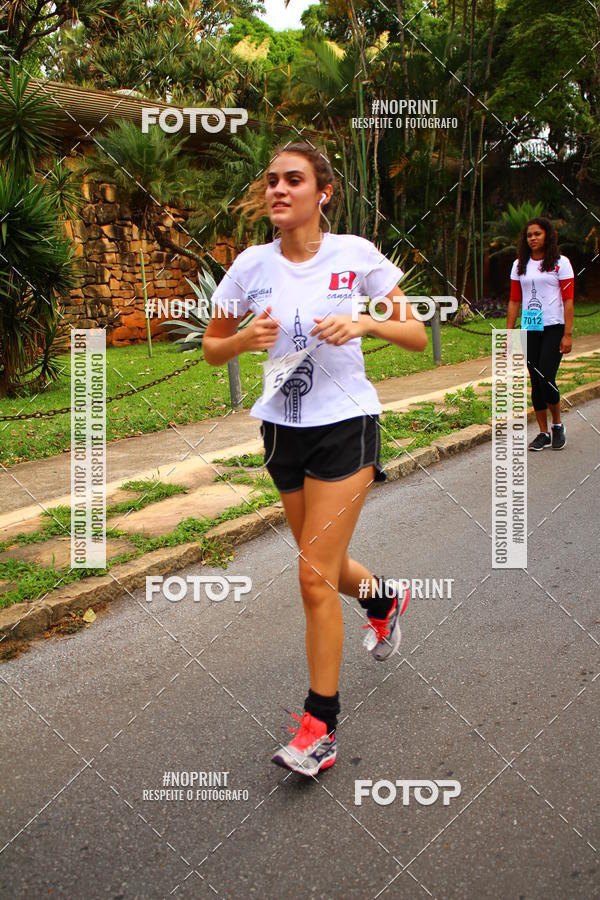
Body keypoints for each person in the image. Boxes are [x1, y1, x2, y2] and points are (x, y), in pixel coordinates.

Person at [202, 141, 427, 776]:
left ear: (322, 193)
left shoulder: (354, 254)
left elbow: (415, 334)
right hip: (282, 430)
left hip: (346, 424)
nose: (278, 189)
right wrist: (243, 339)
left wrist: (367, 324)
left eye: (293, 180)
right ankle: (383, 599)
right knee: (319, 561)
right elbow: (213, 348)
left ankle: (319, 727)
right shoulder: (250, 265)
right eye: (272, 179)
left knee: (311, 576)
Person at [507, 217, 575, 451]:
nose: (533, 238)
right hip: (530, 328)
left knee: (546, 377)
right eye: (529, 235)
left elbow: (568, 300)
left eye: (537, 234)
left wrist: (568, 334)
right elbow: (514, 300)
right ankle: (543, 433)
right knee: (535, 381)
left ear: (547, 235)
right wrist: (509, 333)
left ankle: (557, 425)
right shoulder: (519, 265)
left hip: (554, 327)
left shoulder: (560, 263)